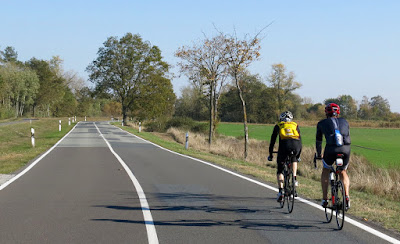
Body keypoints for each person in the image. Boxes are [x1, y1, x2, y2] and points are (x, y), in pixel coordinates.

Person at [316, 103, 351, 210]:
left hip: (331, 149)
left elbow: (319, 141)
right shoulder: (345, 121)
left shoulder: (321, 123)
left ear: (326, 113)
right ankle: (347, 197)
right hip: (345, 149)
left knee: (326, 169)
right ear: (338, 112)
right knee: (343, 171)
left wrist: (318, 154)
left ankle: (325, 199)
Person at [268, 111, 302, 202]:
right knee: (294, 159)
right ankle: (294, 178)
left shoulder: (278, 125)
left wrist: (270, 154)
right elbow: (300, 140)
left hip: (284, 147)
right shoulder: (295, 125)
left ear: (281, 119)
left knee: (280, 170)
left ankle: (280, 191)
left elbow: (272, 141)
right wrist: (298, 155)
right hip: (296, 146)